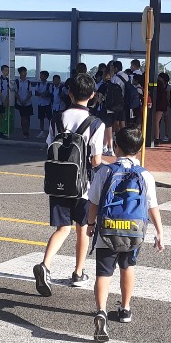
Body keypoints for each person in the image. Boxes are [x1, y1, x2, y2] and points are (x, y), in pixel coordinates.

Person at [87, 126, 164, 342]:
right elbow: (152, 206)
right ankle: (125, 308)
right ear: (139, 150)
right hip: (133, 231)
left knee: (103, 273)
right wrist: (160, 232)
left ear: (115, 147)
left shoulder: (104, 172)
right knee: (127, 267)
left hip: (107, 229)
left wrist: (90, 225)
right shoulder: (145, 175)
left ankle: (101, 311)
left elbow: (93, 203)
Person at [33, 73, 104, 296]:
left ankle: (45, 265)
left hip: (57, 182)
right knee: (83, 229)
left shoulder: (57, 119)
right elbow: (96, 160)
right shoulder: (96, 123)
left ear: (69, 93)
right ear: (92, 95)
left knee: (62, 228)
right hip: (83, 187)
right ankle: (78, 273)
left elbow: (49, 147)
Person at [13, 66, 33, 138]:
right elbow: (15, 93)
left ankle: (27, 131)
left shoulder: (28, 82)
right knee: (23, 117)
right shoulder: (17, 82)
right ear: (20, 73)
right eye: (23, 72)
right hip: (20, 103)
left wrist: (25, 100)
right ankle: (24, 132)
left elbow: (30, 93)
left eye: (25, 72)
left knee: (28, 118)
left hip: (28, 103)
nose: (25, 73)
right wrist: (20, 100)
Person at [35, 70, 54, 139]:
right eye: (40, 75)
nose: (40, 77)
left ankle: (50, 132)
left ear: (46, 77)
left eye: (42, 75)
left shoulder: (49, 85)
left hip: (47, 104)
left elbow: (49, 93)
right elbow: (36, 92)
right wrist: (42, 94)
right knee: (41, 118)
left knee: (50, 118)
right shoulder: (38, 84)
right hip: (40, 103)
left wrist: (43, 94)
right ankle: (42, 131)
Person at [154, 71, 170, 145]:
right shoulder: (163, 86)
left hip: (160, 105)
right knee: (159, 121)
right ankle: (160, 136)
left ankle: (157, 138)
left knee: (156, 121)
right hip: (163, 105)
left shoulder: (158, 85)